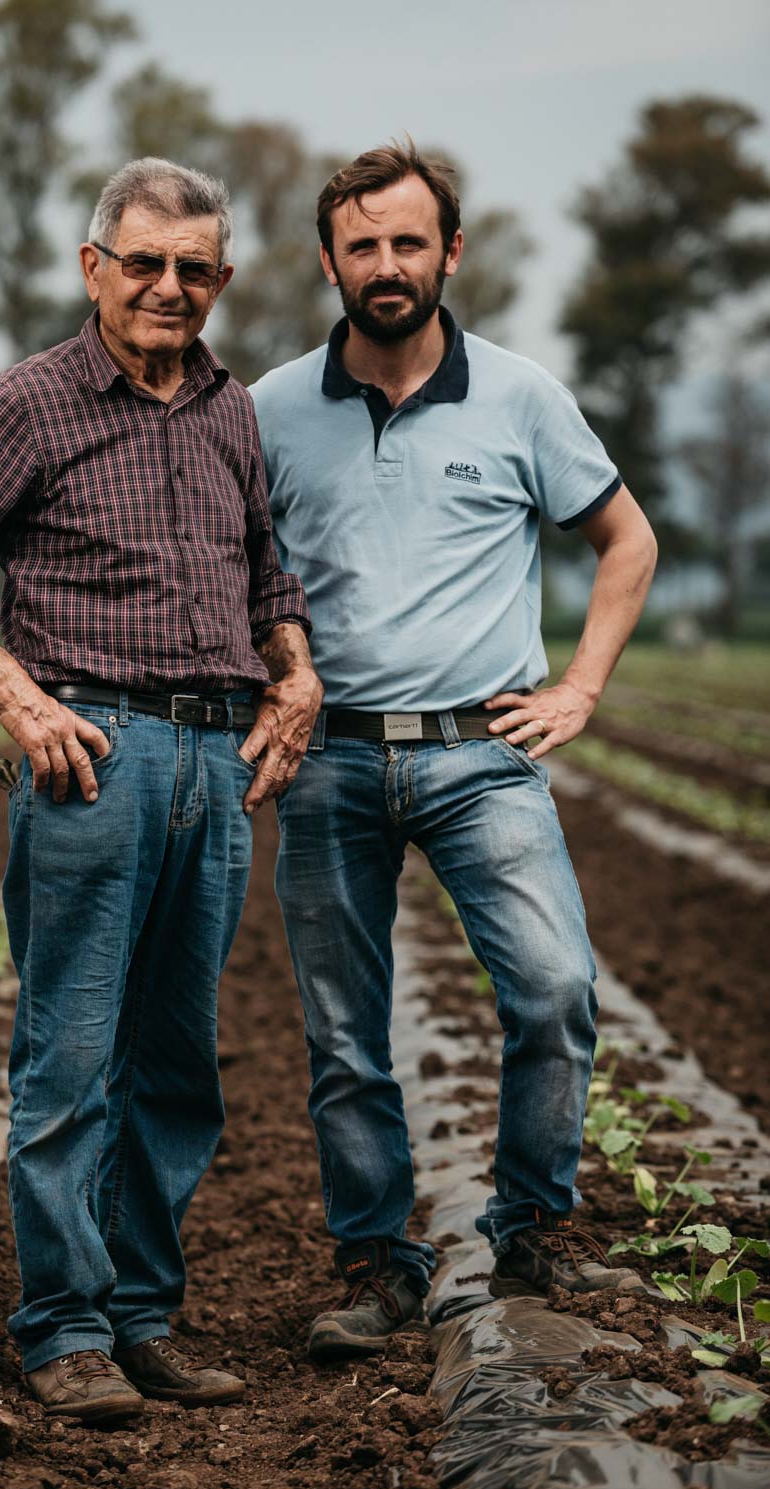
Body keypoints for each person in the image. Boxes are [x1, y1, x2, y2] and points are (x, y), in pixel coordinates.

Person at [0, 157, 322, 1418]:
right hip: (92, 760)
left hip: (214, 769)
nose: (170, 288)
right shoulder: (33, 404)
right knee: (72, 1057)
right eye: (146, 263)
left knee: (177, 1065)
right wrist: (16, 693)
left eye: (196, 269)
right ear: (93, 269)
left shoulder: (228, 410)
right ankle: (63, 1330)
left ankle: (141, 1316)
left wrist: (297, 673)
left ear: (221, 279)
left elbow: (265, 575)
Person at [249, 140, 657, 1362]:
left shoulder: (522, 395)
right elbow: (229, 570)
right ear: (329, 261)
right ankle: (377, 1262)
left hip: (483, 754)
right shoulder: (265, 408)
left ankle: (529, 1229)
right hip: (328, 762)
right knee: (341, 1033)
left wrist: (580, 685)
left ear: (450, 252)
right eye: (361, 245)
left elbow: (624, 541)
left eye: (407, 241)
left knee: (554, 990)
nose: (385, 264)